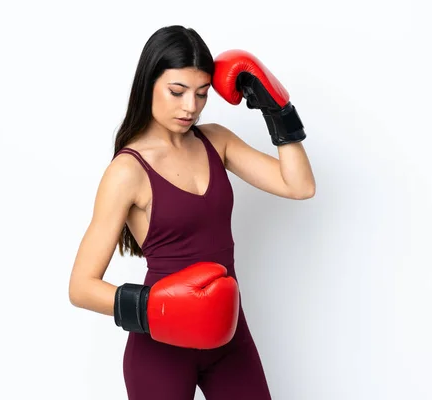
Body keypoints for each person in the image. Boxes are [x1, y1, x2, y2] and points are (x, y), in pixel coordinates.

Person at [68, 25, 316, 400]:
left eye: (201, 94)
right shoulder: (127, 171)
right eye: (177, 92)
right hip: (160, 347)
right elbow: (81, 287)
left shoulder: (216, 141)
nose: (191, 107)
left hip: (229, 336)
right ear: (148, 84)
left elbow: (300, 186)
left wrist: (278, 112)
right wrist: (158, 307)